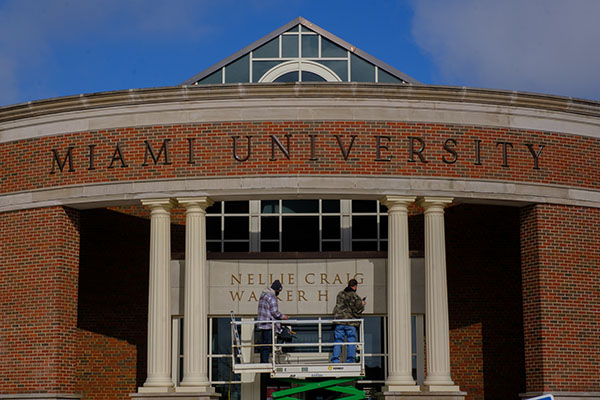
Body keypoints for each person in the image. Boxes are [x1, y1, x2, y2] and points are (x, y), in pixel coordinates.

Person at [331, 278, 365, 363]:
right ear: (355, 286)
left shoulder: (340, 294)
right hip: (350, 322)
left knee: (338, 341)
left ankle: (335, 360)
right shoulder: (354, 295)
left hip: (339, 321)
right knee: (351, 341)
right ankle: (350, 360)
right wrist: (362, 304)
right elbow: (358, 309)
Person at [256, 279, 288, 363]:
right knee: (268, 345)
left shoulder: (263, 296)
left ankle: (263, 361)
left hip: (262, 323)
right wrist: (283, 317)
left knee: (264, 345)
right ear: (277, 290)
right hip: (268, 324)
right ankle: (265, 362)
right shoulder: (272, 297)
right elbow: (274, 312)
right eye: (278, 291)